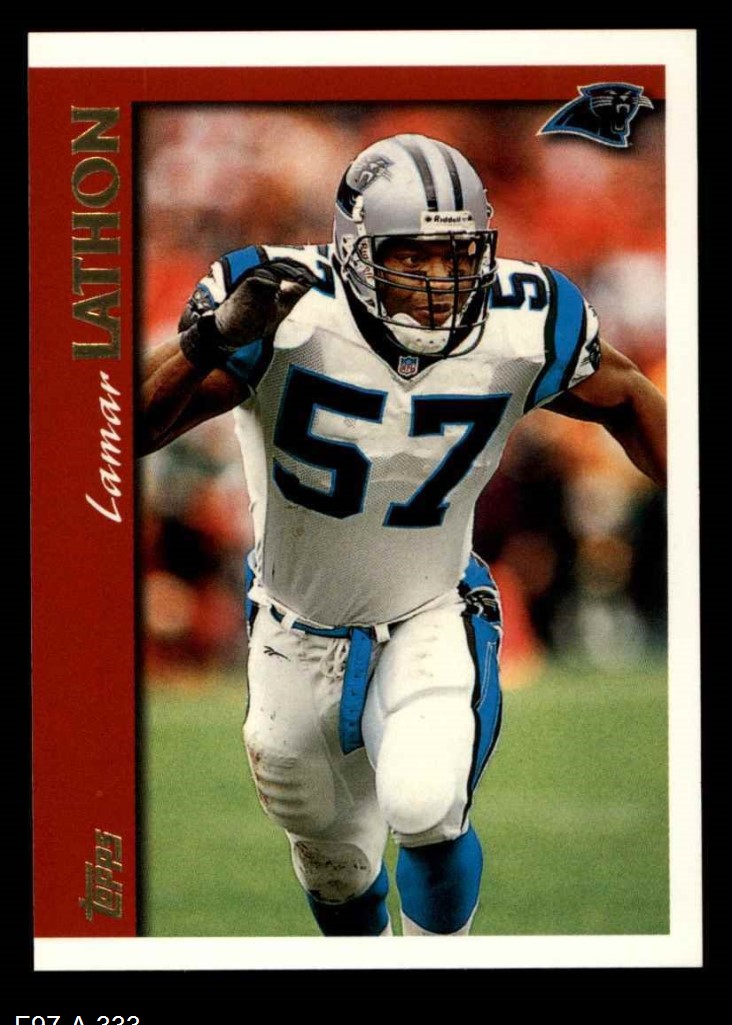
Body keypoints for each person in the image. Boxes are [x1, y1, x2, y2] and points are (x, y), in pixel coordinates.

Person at [138, 133, 666, 936]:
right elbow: (123, 432)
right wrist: (206, 343)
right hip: (293, 626)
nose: (439, 280)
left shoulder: (522, 318)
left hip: (430, 606)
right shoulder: (284, 306)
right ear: (355, 250)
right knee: (335, 864)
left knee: (425, 800)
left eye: (458, 255)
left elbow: (625, 393)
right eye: (413, 255)